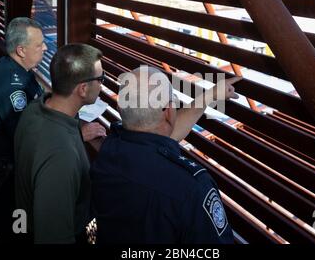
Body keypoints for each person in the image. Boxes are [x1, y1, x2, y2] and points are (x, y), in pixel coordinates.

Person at [91, 65, 240, 243]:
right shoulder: (192, 188)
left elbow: (160, 135)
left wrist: (210, 96)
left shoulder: (110, 147)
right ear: (169, 112)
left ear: (120, 107)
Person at [14, 43, 105, 243]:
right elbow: (54, 237)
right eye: (100, 79)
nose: (102, 84)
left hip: (23, 221)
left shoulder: (35, 108)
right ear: (83, 89)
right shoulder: (60, 156)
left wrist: (76, 137)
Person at [0, 17, 47, 242]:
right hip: (4, 181)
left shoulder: (18, 69)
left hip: (10, 172)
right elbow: (24, 136)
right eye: (39, 44)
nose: (45, 47)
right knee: (16, 235)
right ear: (21, 50)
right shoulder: (10, 84)